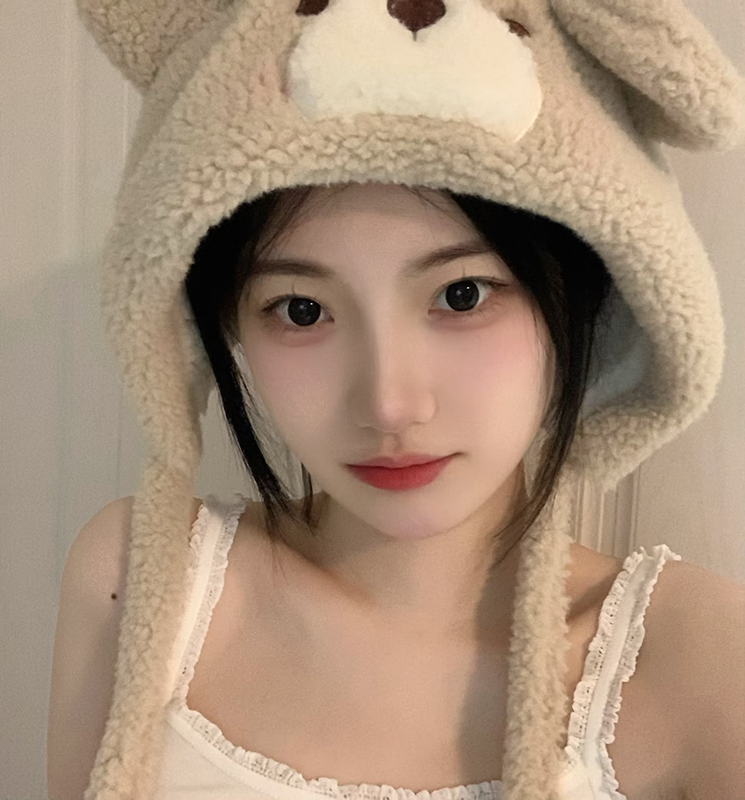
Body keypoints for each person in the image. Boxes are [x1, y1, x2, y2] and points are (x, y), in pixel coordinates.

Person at [49, 1, 745, 798]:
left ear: (582, 298)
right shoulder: (137, 581)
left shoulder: (700, 660)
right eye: (301, 310)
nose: (388, 404)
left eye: (461, 294)